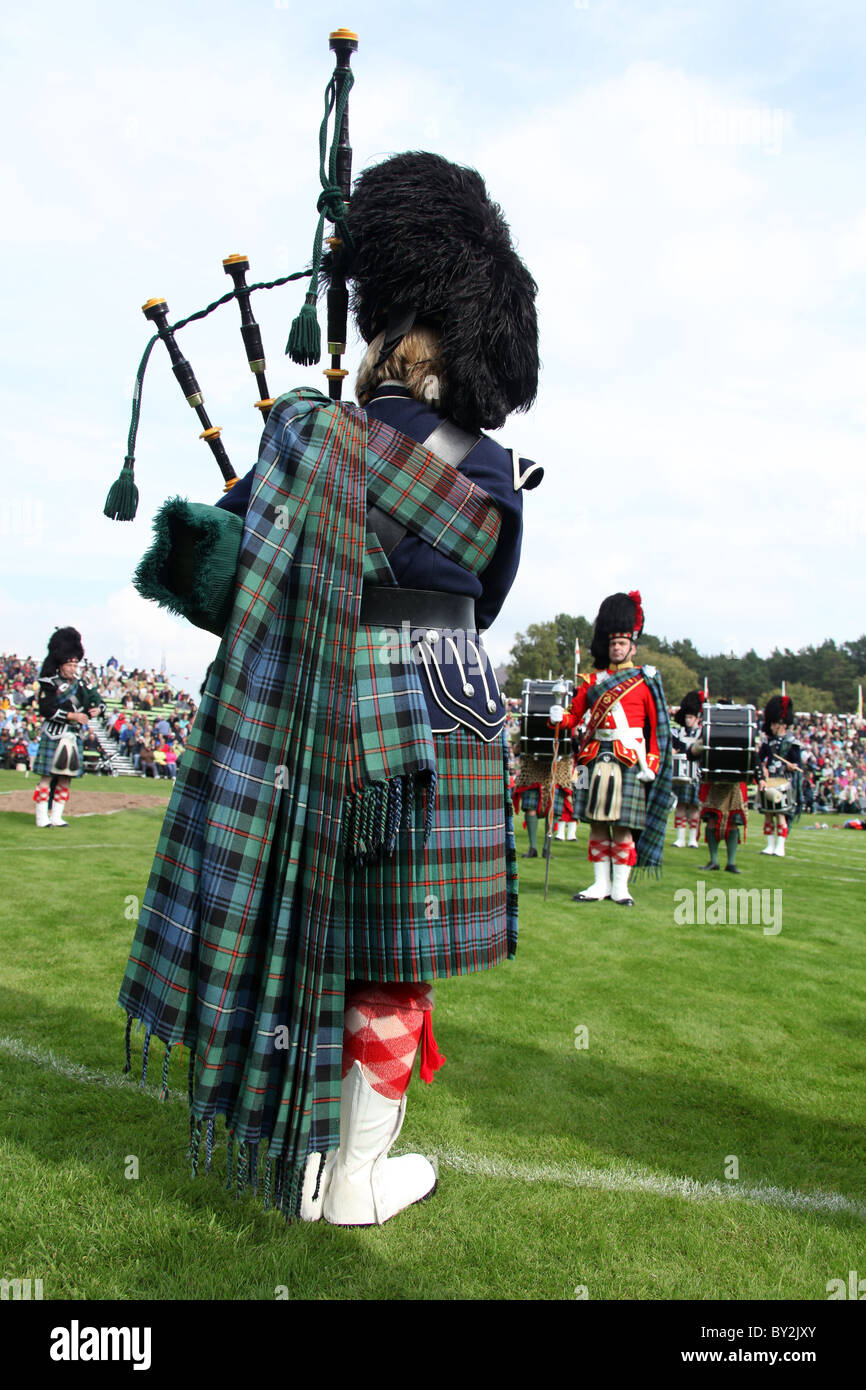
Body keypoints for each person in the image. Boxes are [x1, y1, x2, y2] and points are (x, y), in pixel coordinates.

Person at [118, 151, 540, 1226]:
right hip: (441, 704)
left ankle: (302, 1160)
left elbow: (234, 584)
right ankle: (351, 1178)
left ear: (388, 329)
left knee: (312, 935)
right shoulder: (490, 470)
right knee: (394, 954)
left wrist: (256, 520)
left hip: (321, 707)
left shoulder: (305, 437)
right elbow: (479, 601)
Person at [549, 592, 672, 906]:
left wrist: (653, 765)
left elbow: (659, 731)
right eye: (612, 643)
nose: (616, 648)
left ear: (633, 644)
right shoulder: (592, 681)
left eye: (622, 643)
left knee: (622, 829)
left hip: (630, 760)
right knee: (597, 826)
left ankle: (620, 888)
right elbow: (573, 717)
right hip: (593, 758)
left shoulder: (645, 681)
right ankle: (599, 884)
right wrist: (556, 716)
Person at [31, 627, 101, 826]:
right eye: (70, 664)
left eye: (75, 663)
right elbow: (45, 708)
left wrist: (96, 709)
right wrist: (72, 715)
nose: (73, 668)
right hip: (54, 734)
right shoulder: (49, 682)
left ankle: (56, 816)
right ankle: (41, 817)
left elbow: (95, 700)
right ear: (61, 663)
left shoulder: (80, 685)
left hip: (73, 735)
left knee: (65, 779)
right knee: (47, 777)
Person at [757, 694, 804, 857]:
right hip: (769, 781)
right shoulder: (768, 742)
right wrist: (761, 768)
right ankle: (769, 845)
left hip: (784, 781)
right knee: (768, 814)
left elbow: (797, 762)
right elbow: (760, 757)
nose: (771, 726)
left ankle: (780, 846)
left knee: (781, 815)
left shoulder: (792, 742)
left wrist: (793, 766)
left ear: (782, 724)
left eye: (774, 723)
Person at [670, 689, 703, 848]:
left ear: (697, 718)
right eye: (687, 717)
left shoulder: (703, 734)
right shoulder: (679, 732)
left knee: (695, 807)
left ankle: (692, 839)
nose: (688, 720)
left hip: (696, 773)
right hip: (681, 773)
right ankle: (680, 838)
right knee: (681, 805)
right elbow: (674, 748)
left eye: (691, 717)